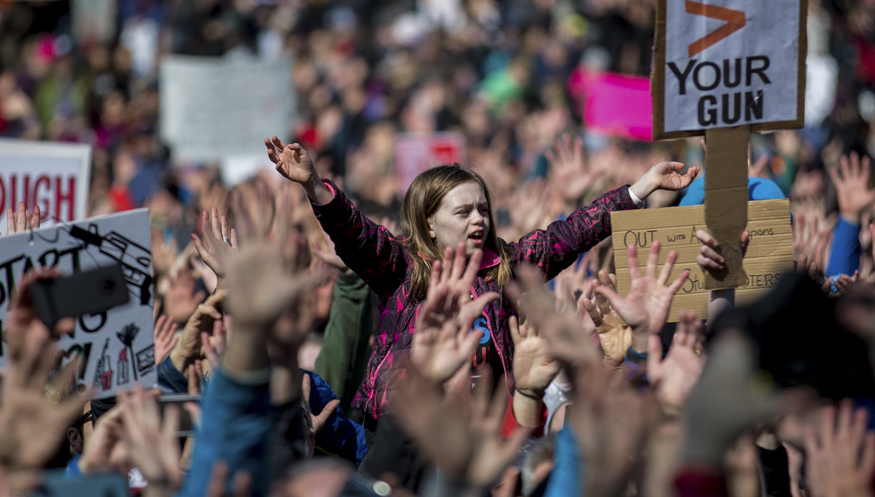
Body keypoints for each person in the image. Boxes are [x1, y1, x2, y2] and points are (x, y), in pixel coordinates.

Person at [265, 135, 701, 428]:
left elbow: (571, 233)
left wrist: (638, 190)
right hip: (402, 432)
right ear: (429, 224)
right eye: (462, 212)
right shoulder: (403, 268)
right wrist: (314, 186)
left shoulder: (506, 266)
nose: (478, 219)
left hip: (483, 432)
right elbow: (355, 232)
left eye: (483, 209)